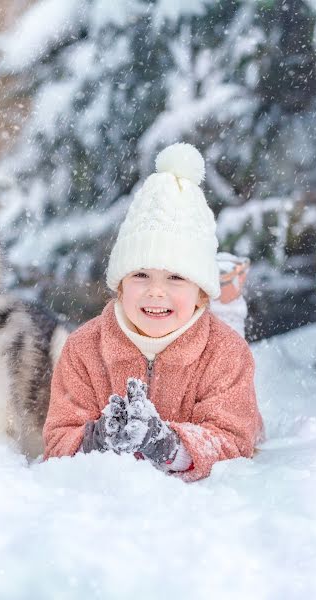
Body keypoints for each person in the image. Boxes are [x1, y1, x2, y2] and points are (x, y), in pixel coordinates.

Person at [42, 143, 264, 482]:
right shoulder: (83, 350)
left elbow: (234, 439)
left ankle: (229, 300)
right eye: (140, 274)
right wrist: (95, 439)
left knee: (234, 361)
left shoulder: (226, 354)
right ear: (119, 286)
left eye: (175, 277)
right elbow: (58, 440)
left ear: (201, 292)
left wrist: (168, 445)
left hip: (196, 511)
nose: (155, 291)